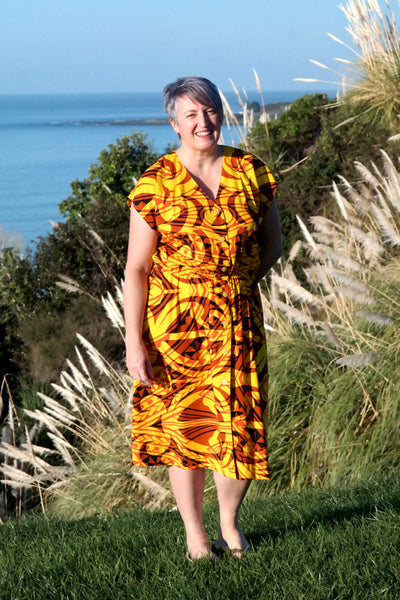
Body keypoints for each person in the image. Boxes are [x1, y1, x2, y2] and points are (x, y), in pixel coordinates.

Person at [123, 76, 282, 560]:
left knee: (240, 427)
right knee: (186, 431)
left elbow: (272, 246)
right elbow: (137, 269)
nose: (203, 121)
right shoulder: (154, 184)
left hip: (237, 322)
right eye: (190, 114)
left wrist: (235, 285)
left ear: (220, 113)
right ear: (174, 123)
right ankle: (196, 536)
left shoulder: (251, 172)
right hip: (174, 329)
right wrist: (133, 341)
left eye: (209, 110)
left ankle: (229, 523)